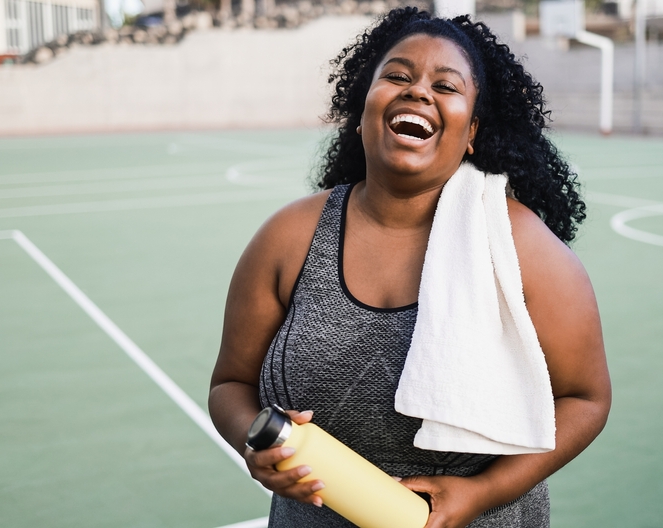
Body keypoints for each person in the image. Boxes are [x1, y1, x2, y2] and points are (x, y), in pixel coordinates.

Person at [209, 7, 611, 527]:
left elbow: (586, 398)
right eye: (397, 76)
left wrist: (483, 492)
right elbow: (230, 385)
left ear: (472, 130)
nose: (418, 91)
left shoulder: (520, 247)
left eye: (446, 86)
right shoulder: (289, 238)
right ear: (362, 109)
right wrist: (255, 443)